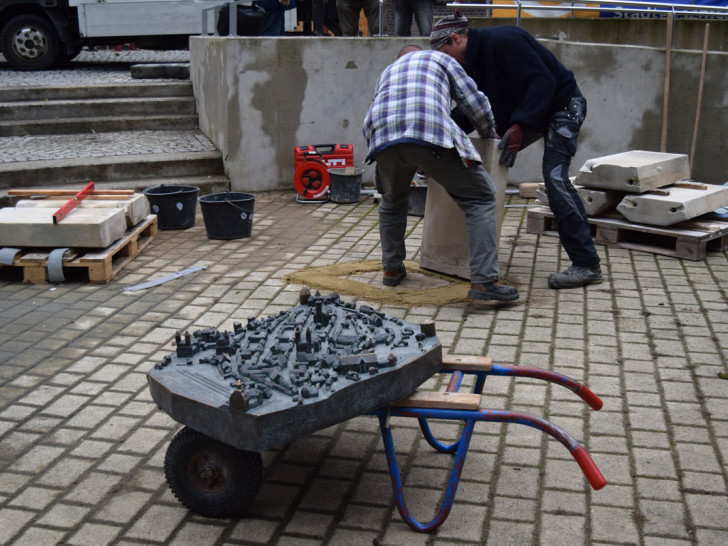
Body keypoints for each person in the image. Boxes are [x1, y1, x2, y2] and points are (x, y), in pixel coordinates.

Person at [431, 14, 603, 290]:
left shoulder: (504, 41)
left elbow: (542, 83)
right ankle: (475, 249)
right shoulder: (471, 64)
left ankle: (587, 264)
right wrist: (439, 136)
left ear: (456, 38)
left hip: (562, 106)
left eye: (445, 53)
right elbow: (469, 108)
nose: (446, 61)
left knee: (555, 179)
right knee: (492, 158)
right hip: (532, 111)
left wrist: (521, 125)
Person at [363, 45, 519, 302]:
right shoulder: (439, 59)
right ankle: (483, 281)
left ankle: (391, 269)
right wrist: (488, 132)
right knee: (480, 198)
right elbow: (474, 102)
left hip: (382, 139)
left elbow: (378, 110)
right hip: (429, 134)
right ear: (421, 51)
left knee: (391, 203)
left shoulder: (388, 72)